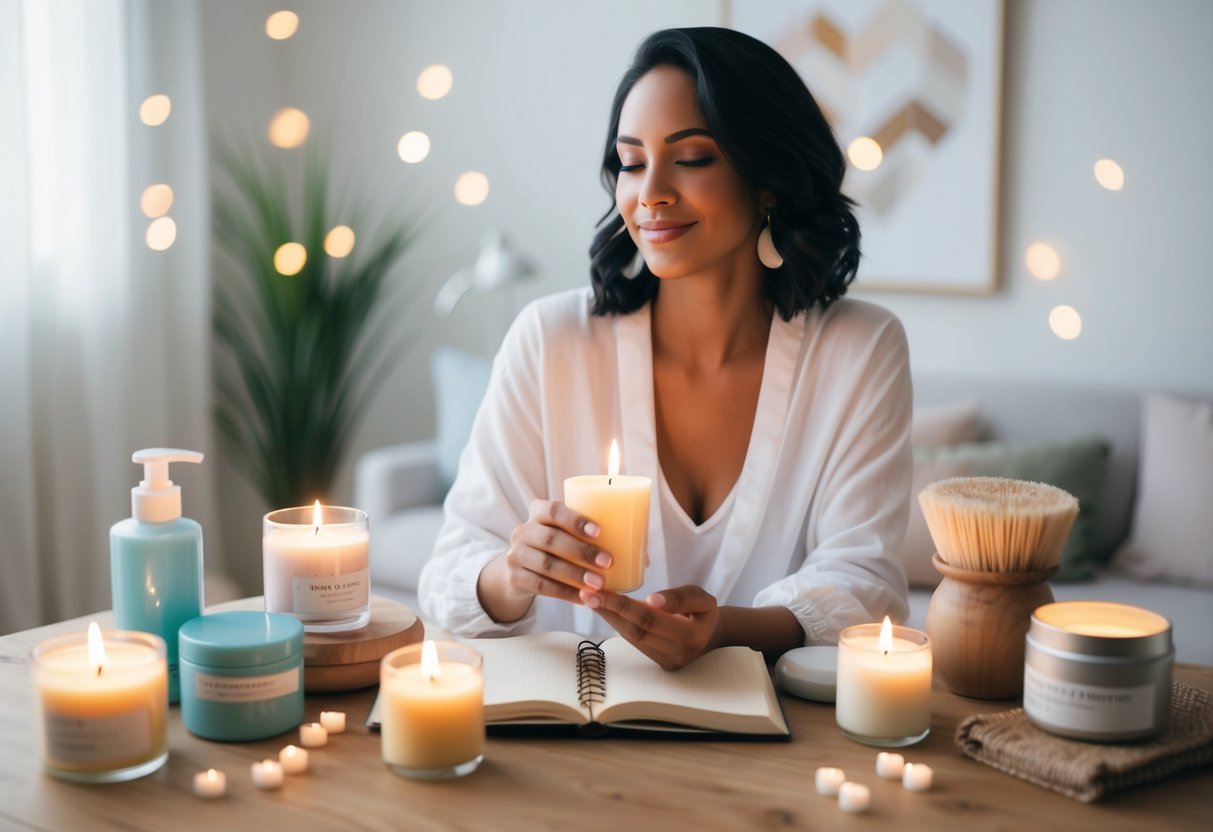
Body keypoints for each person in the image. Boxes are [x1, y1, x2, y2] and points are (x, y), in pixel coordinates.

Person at [419, 27, 911, 670]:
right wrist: (515, 573)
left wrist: (726, 630)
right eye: (630, 161)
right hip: (572, 731)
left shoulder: (860, 350)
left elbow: (865, 582)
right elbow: (449, 574)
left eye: (692, 157)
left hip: (779, 748)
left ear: (769, 180)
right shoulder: (550, 341)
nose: (649, 191)